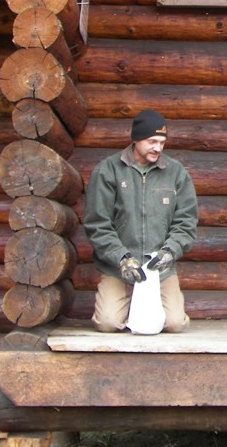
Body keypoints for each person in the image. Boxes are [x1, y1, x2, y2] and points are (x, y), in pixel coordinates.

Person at [84, 109, 198, 333]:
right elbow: (97, 224)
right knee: (107, 322)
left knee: (175, 324)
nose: (158, 147)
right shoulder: (108, 171)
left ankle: (143, 311)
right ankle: (131, 310)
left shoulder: (176, 173)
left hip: (159, 267)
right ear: (136, 139)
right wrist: (122, 258)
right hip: (119, 267)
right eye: (152, 141)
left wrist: (170, 251)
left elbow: (186, 221)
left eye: (162, 142)